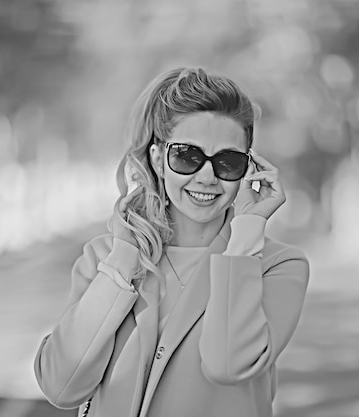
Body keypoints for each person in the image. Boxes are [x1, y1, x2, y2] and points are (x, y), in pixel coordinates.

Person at [34, 67, 310, 417]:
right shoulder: (104, 258)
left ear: (250, 168)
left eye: (228, 161)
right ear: (157, 159)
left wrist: (246, 235)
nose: (207, 177)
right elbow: (61, 385)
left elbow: (227, 365)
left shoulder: (277, 266)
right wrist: (123, 261)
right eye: (187, 156)